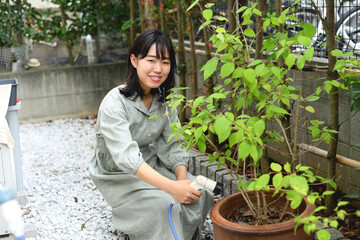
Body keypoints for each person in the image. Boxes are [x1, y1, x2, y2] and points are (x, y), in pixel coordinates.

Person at [89, 29, 214, 240]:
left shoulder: (165, 100)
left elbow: (173, 145)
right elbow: (126, 159)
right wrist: (172, 189)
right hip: (118, 174)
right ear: (134, 60)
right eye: (151, 60)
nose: (158, 69)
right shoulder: (114, 103)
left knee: (201, 194)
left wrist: (182, 183)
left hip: (149, 164)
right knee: (164, 206)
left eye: (165, 62)